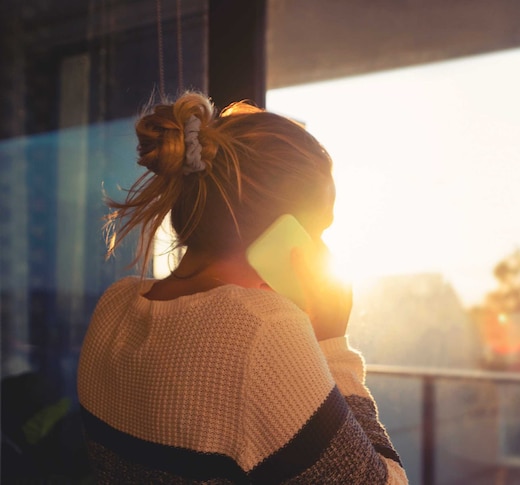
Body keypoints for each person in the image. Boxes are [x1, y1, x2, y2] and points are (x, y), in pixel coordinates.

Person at [77, 92, 408, 483]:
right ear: (286, 233)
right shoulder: (263, 330)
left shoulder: (114, 305)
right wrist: (331, 342)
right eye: (317, 231)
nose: (321, 249)